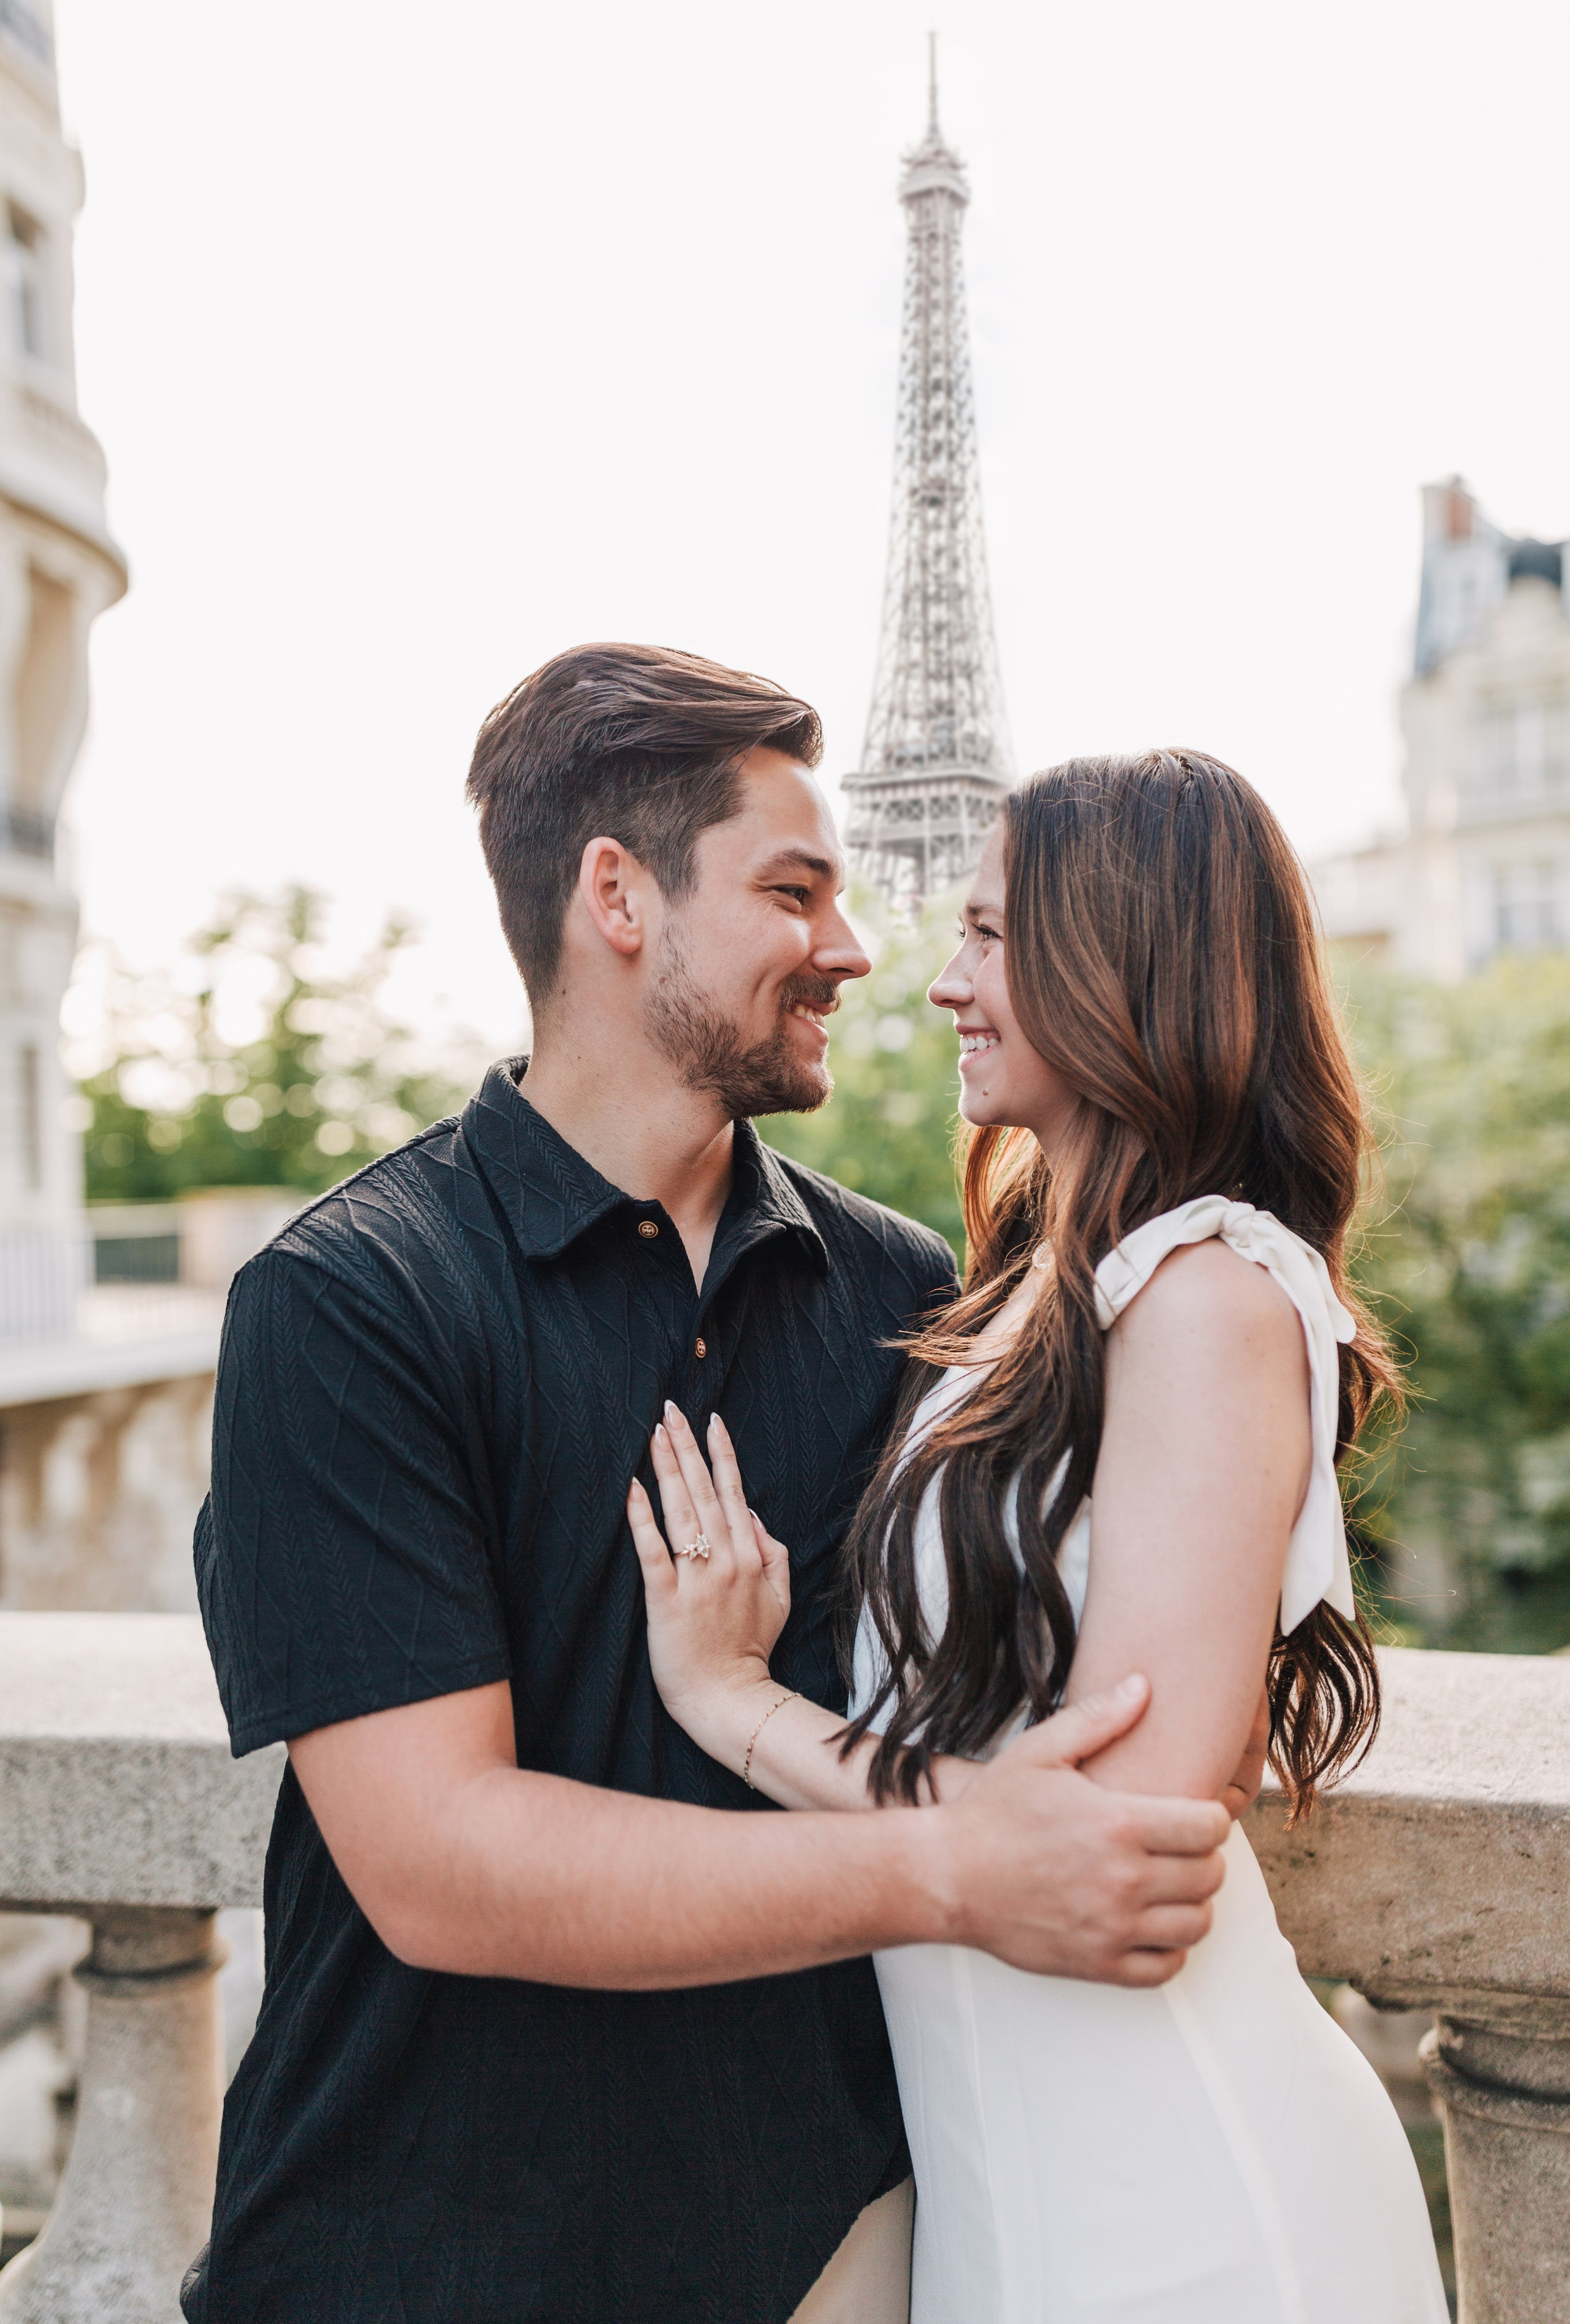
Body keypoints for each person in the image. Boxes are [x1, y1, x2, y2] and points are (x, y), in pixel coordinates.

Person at [182, 649, 1246, 2324]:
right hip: (424, 2248)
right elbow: (439, 1860)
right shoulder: (347, 1304)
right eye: (795, 890)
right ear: (619, 895)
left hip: (819, 2240)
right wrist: (963, 1869)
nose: (853, 945)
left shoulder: (906, 1293)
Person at [629, 749, 1450, 2323]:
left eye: (992, 936)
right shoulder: (1032, 1300)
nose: (942, 983)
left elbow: (1117, 1838)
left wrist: (738, 1709)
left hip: (1181, 2212)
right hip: (1020, 2200)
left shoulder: (1206, 1297)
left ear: (1121, 958)